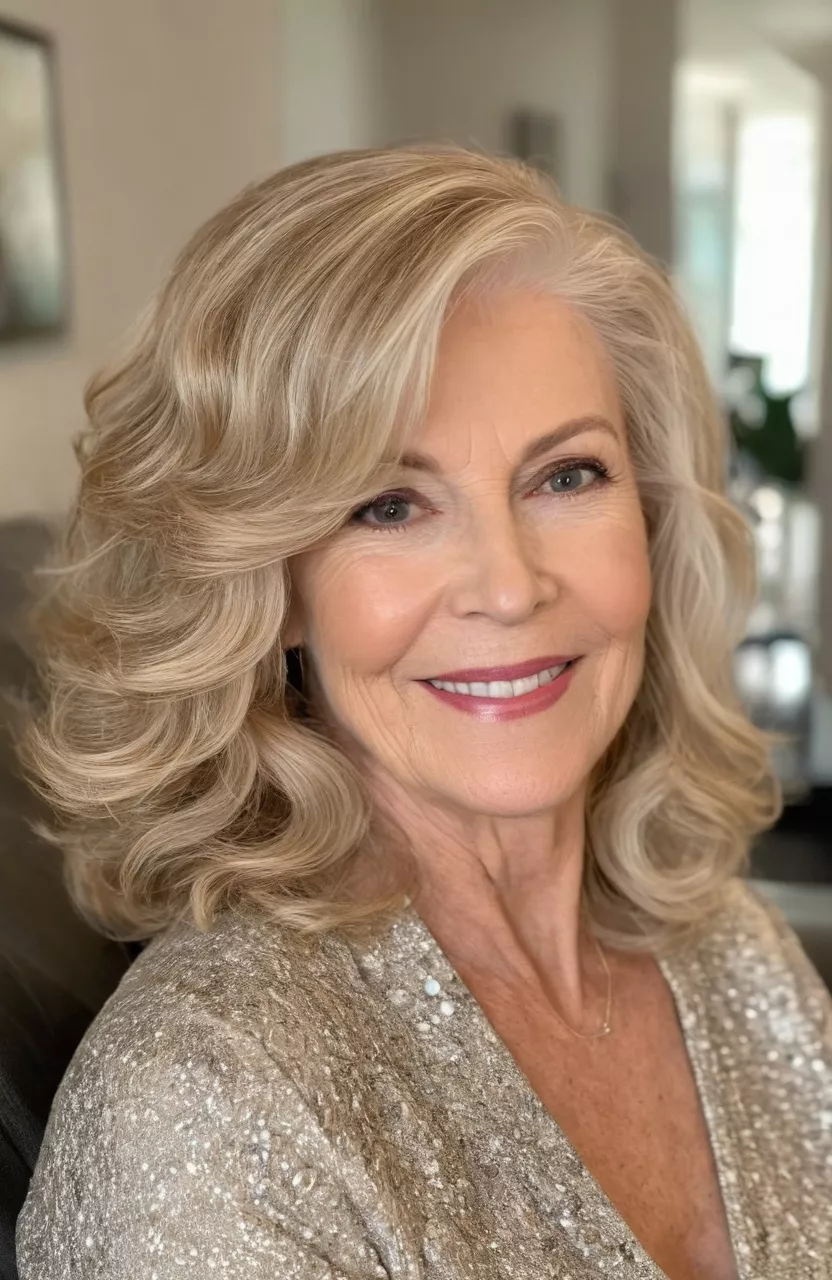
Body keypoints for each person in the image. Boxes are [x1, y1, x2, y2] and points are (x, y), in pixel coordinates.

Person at [14, 144, 832, 1280]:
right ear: (273, 585)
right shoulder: (206, 1104)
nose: (508, 585)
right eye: (389, 503)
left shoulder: (729, 950)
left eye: (567, 476)